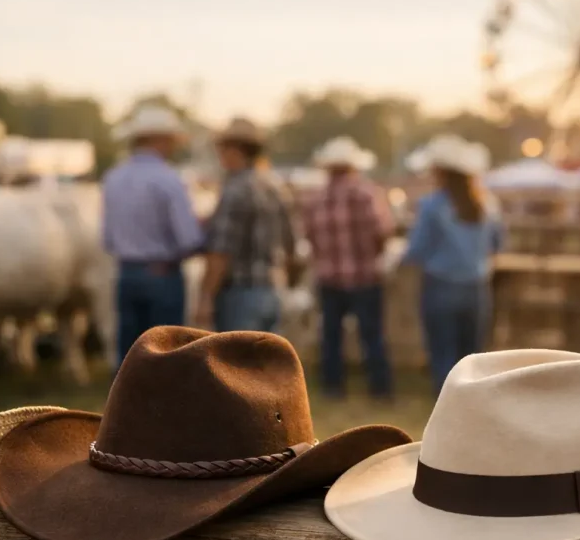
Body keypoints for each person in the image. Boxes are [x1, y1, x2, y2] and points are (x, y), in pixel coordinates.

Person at [401, 134, 504, 394]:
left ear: (441, 172)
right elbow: (498, 243)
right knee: (471, 355)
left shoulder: (432, 206)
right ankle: (472, 402)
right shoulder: (486, 204)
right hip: (477, 286)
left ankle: (446, 405)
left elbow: (417, 250)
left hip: (441, 284)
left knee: (443, 352)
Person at [102, 105, 205, 364]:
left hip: (127, 271)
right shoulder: (168, 179)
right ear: (159, 140)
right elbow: (189, 239)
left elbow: (108, 238)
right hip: (163, 273)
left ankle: (125, 402)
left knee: (129, 352)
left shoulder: (114, 178)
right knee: (166, 353)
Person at [304, 136, 395, 399]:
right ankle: (379, 388)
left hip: (329, 276)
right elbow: (383, 231)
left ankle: (333, 387)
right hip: (365, 275)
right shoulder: (367, 193)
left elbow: (310, 237)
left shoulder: (315, 198)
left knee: (331, 336)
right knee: (372, 335)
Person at [197, 117, 298, 334]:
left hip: (240, 293)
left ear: (235, 150)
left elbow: (220, 251)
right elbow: (291, 245)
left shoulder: (235, 190)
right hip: (272, 290)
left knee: (235, 364)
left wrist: (205, 297)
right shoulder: (275, 186)